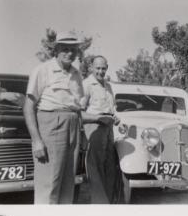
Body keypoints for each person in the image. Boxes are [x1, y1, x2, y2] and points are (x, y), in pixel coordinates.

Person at [23, 32, 84, 204]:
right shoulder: (42, 70)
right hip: (51, 125)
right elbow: (29, 107)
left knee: (67, 186)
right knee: (48, 186)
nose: (69, 53)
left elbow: (77, 106)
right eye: (65, 49)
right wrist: (36, 141)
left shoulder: (77, 74)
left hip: (73, 127)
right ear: (56, 50)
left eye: (73, 49)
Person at [81, 55, 120, 203]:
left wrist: (115, 117)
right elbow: (79, 112)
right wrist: (98, 118)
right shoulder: (86, 85)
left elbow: (112, 108)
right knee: (95, 167)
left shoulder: (108, 86)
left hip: (108, 128)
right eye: (97, 68)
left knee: (109, 165)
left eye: (103, 68)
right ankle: (99, 203)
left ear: (107, 68)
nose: (100, 71)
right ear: (91, 67)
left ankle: (108, 202)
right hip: (94, 127)